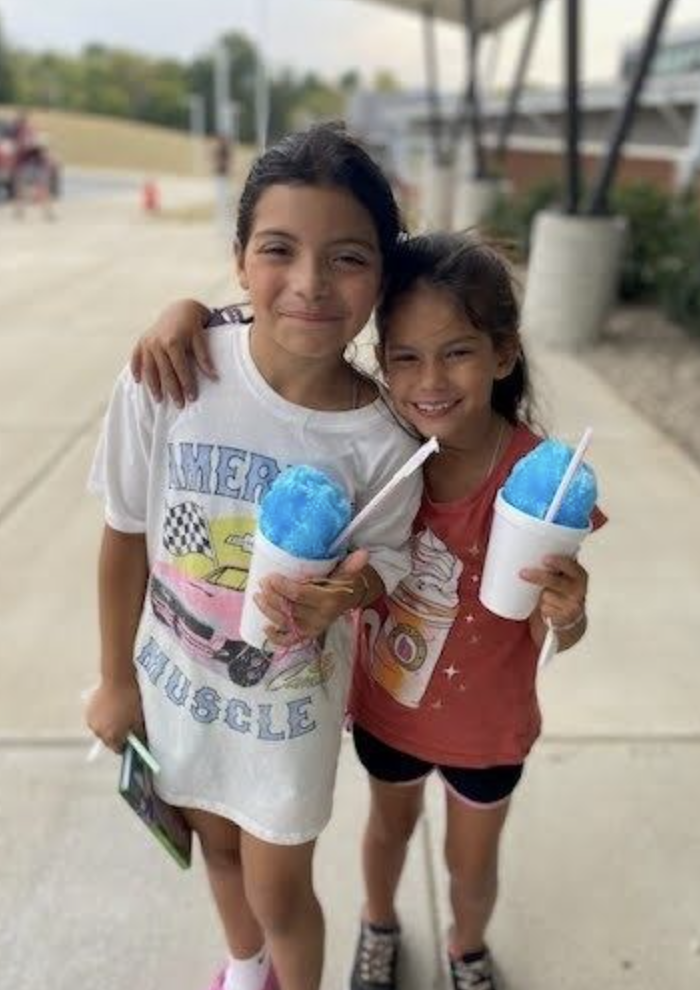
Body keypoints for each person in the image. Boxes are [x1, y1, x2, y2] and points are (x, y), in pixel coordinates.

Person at [129, 231, 605, 990]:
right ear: (382, 363)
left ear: (503, 354)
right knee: (388, 832)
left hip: (490, 724)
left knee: (470, 862)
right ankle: (379, 926)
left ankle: (466, 947)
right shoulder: (377, 451)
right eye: (406, 358)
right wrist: (186, 312)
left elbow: (554, 628)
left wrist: (570, 613)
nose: (430, 381)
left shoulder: (539, 480)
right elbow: (283, 335)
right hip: (389, 710)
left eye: (458, 353)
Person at [86, 123, 423, 990]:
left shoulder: (385, 440)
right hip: (176, 687)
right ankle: (245, 969)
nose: (310, 283)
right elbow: (125, 531)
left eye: (348, 258)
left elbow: (385, 559)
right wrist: (116, 678)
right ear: (240, 259)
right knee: (213, 847)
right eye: (279, 249)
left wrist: (346, 592)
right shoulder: (172, 374)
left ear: (382, 276)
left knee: (280, 888)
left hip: (284, 719)